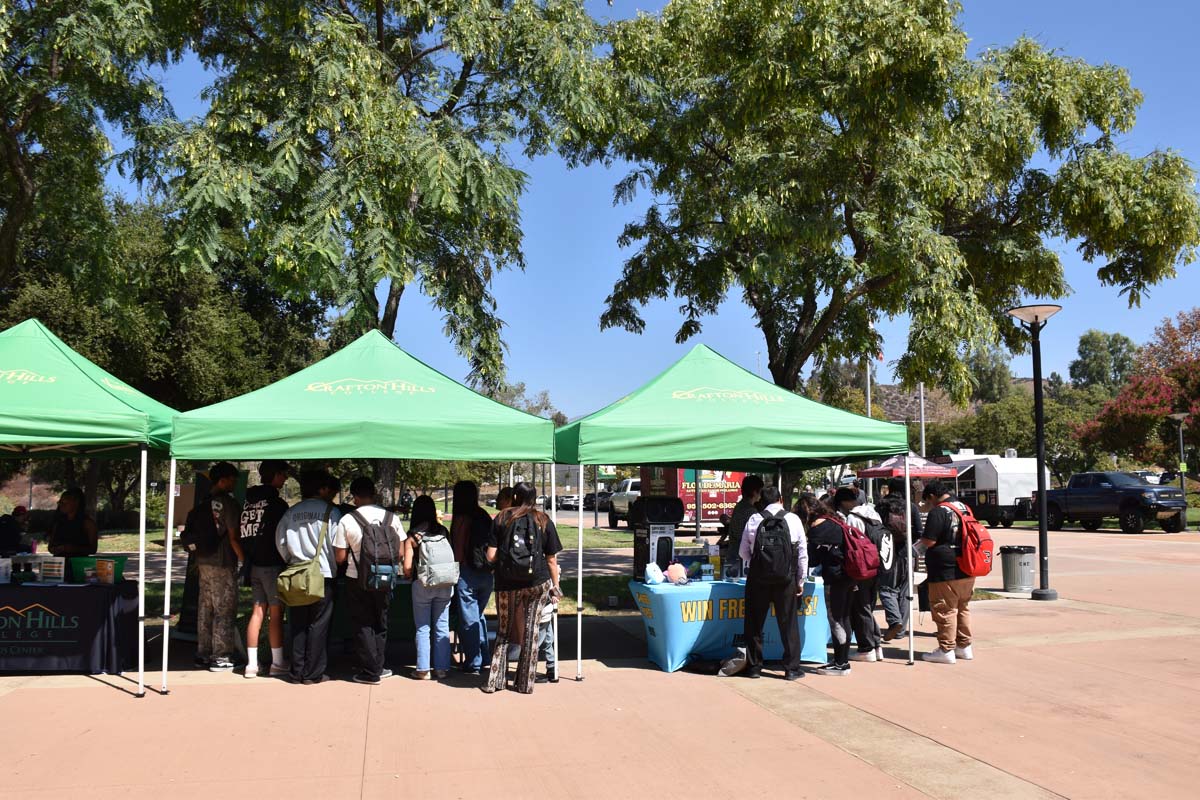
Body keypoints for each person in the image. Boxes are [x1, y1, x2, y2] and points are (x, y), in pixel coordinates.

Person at [483, 481, 563, 694]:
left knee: (504, 630)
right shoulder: (543, 520)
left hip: (506, 583)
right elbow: (552, 559)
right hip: (537, 583)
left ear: (515, 497)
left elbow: (491, 555)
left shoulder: (501, 518)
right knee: (531, 631)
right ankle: (524, 683)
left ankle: (495, 682)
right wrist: (556, 586)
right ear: (534, 498)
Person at [334, 476, 405, 685]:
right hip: (384, 577)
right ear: (373, 493)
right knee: (381, 621)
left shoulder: (347, 520)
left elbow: (339, 557)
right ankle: (379, 666)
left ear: (354, 496)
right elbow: (400, 552)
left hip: (356, 578)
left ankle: (370, 671)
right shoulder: (392, 518)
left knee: (363, 623)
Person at [276, 469, 341, 684]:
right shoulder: (331, 512)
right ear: (322, 489)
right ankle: (313, 673)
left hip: (296, 573)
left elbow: (281, 543)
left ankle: (296, 671)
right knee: (319, 624)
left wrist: (292, 559)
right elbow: (336, 543)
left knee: (298, 624)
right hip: (322, 573)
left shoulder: (291, 512)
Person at [737, 485, 807, 681]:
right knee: (788, 623)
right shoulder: (793, 519)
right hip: (786, 579)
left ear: (762, 500)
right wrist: (800, 580)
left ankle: (754, 667)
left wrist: (758, 562)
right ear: (781, 499)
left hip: (758, 578)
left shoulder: (754, 519)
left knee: (754, 623)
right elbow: (802, 554)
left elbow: (743, 552)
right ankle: (792, 669)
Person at [238, 460, 290, 679]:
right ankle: (277, 663)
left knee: (257, 612)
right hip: (273, 565)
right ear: (276, 475)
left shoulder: (248, 503)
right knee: (276, 615)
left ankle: (251, 665)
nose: (286, 478)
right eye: (284, 474)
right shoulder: (277, 505)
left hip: (253, 565)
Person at [193, 463, 243, 672]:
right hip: (222, 562)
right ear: (222, 480)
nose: (234, 483)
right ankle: (221, 657)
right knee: (224, 609)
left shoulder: (203, 501)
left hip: (203, 561)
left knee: (206, 608)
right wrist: (242, 560)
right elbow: (233, 537)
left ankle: (203, 653)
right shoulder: (228, 503)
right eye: (232, 479)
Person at [919, 480, 974, 664]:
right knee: (962, 607)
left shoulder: (939, 511)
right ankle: (964, 646)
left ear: (932, 496)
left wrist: (914, 549)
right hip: (967, 564)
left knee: (944, 609)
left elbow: (929, 540)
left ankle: (946, 649)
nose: (927, 504)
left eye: (927, 500)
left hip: (944, 568)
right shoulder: (964, 507)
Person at [800, 494, 855, 676]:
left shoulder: (818, 527)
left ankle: (840, 664)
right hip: (849, 576)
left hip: (835, 577)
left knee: (836, 619)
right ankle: (842, 660)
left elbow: (812, 560)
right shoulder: (835, 519)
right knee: (844, 618)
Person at [404, 495, 455, 680]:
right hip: (445, 582)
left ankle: (423, 669)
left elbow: (407, 568)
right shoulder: (443, 531)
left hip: (423, 584)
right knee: (442, 625)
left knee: (423, 627)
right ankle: (441, 668)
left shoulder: (413, 536)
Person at [450, 480, 495, 677]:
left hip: (467, 573)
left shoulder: (461, 519)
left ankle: (473, 661)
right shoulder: (483, 515)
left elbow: (458, 550)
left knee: (468, 619)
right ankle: (484, 656)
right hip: (486, 573)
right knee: (478, 615)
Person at [844, 503, 885, 663]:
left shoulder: (853, 517)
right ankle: (876, 646)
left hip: (861, 567)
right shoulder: (874, 514)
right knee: (867, 607)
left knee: (860, 607)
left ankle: (866, 648)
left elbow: (851, 544)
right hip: (876, 564)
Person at [880, 478, 920, 640]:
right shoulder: (911, 507)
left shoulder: (881, 506)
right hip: (906, 551)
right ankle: (901, 630)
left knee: (886, 589)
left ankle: (894, 621)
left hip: (887, 552)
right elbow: (919, 531)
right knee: (905, 591)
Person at [724, 475, 764, 567]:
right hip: (742, 560)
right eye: (760, 492)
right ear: (755, 492)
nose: (761, 495)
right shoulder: (751, 511)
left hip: (734, 555)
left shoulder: (739, 506)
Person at [47, 489, 98, 558]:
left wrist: (74, 549)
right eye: (60, 502)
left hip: (78, 564)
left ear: (76, 502)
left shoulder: (88, 524)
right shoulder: (58, 522)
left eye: (64, 503)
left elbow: (93, 549)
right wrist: (56, 549)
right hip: (59, 565)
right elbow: (50, 547)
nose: (61, 505)